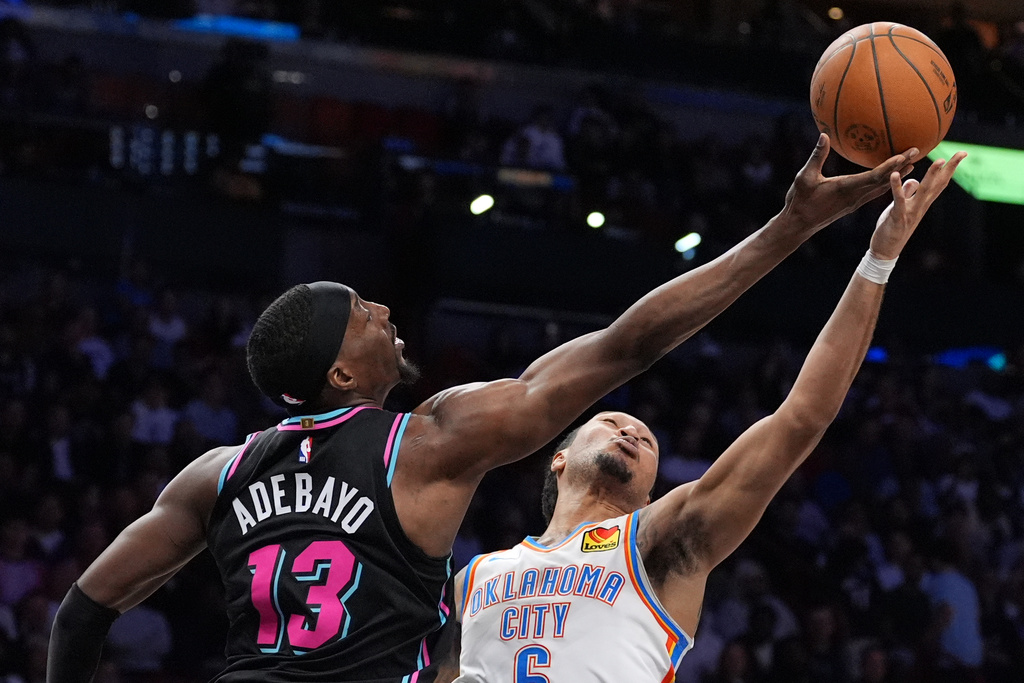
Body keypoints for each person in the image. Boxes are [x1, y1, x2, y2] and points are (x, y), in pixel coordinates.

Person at [47, 135, 916, 683]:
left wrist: (858, 255)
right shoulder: (429, 453)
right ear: (341, 376)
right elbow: (625, 346)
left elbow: (83, 612)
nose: (385, 312)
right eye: (363, 314)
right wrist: (788, 229)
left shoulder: (218, 475)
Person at [442, 152, 966, 683]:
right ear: (558, 458)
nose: (629, 431)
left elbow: (801, 418)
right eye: (611, 422)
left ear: (649, 494)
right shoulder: (475, 577)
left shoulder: (655, 541)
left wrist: (879, 258)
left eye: (646, 440)